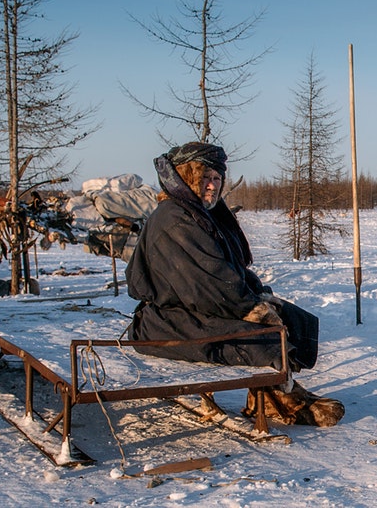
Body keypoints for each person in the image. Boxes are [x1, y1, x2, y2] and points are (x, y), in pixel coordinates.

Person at [125, 142, 343, 427]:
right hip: (165, 323)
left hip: (189, 311)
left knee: (291, 319)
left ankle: (278, 395)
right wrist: (252, 307)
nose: (212, 186)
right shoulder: (175, 219)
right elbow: (211, 283)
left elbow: (230, 269)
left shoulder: (196, 213)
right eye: (205, 178)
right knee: (262, 337)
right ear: (186, 178)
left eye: (216, 179)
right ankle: (283, 401)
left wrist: (258, 294)